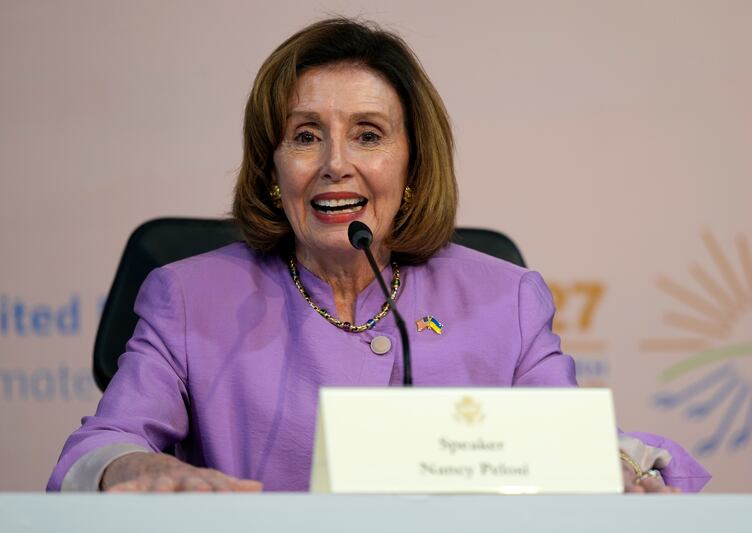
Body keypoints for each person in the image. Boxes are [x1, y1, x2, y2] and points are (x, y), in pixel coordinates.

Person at [48, 18, 710, 494]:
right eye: (307, 136)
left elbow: (565, 446)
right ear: (272, 170)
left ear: (413, 163)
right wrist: (129, 468)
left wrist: (617, 470)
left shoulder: (504, 299)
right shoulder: (191, 296)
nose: (337, 165)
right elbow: (103, 443)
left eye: (367, 135)